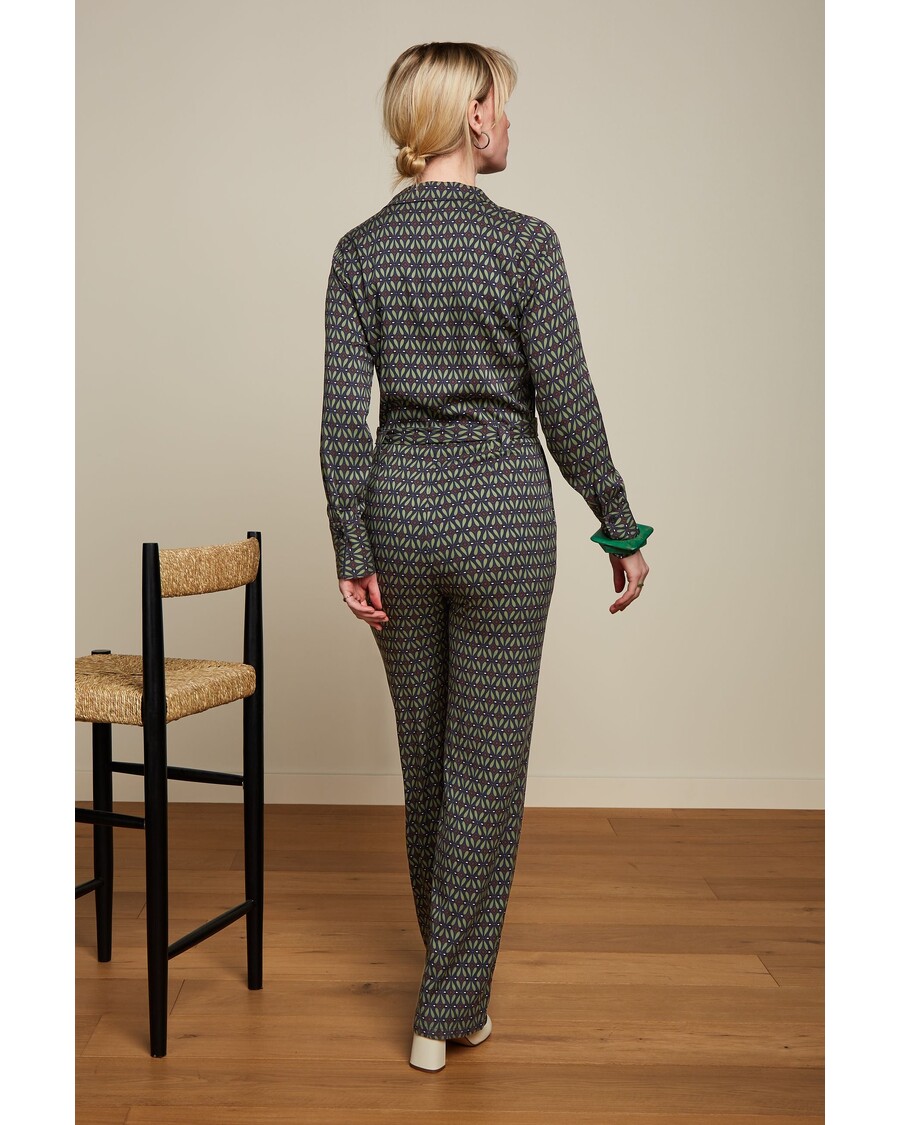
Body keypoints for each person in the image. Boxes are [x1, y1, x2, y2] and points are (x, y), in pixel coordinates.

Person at [319, 41, 652, 1073]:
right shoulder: (526, 245)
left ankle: (451, 993)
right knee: (485, 772)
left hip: (401, 516)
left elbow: (341, 423)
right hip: (504, 519)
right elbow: (569, 404)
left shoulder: (359, 251)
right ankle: (447, 1007)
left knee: (428, 762)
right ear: (472, 116)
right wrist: (618, 521)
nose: (509, 121)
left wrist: (351, 542)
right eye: (502, 104)